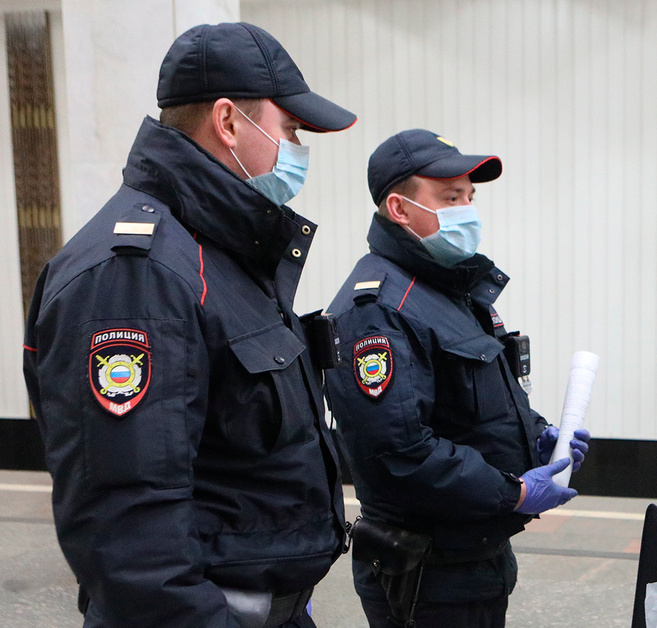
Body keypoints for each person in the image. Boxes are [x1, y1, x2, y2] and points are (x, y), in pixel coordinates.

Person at [21, 23, 356, 627]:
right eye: (290, 130)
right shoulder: (137, 275)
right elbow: (128, 526)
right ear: (228, 122)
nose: (298, 149)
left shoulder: (220, 252)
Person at [324, 129, 589, 627]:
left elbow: (479, 402)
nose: (467, 209)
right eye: (450, 198)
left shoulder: (450, 293)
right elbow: (403, 451)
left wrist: (538, 439)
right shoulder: (379, 308)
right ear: (400, 209)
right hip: (425, 572)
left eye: (470, 196)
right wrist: (515, 493)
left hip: (473, 557)